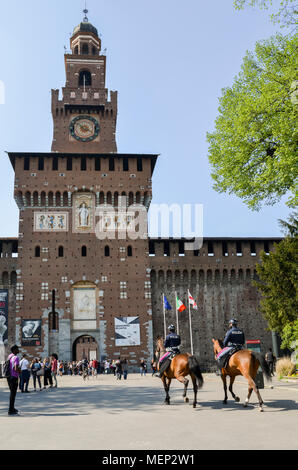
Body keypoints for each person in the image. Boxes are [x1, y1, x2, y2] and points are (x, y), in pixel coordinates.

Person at [7, 345, 21, 415]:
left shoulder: (10, 356)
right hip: (14, 377)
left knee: (12, 393)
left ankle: (12, 408)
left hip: (9, 377)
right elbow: (16, 368)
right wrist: (20, 371)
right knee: (13, 394)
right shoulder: (16, 357)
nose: (18, 350)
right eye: (17, 349)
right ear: (14, 350)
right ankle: (10, 409)